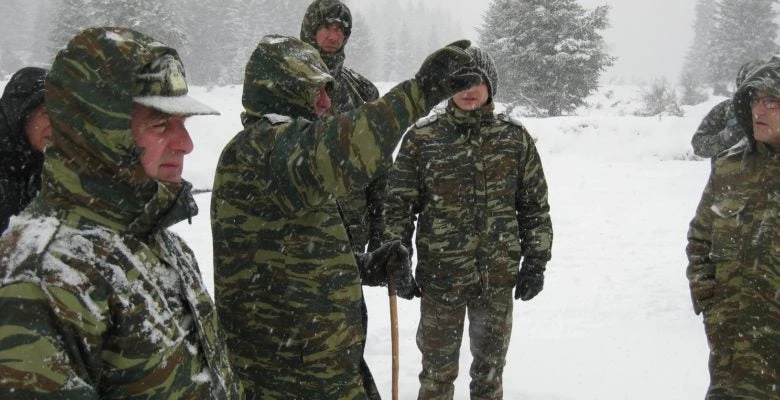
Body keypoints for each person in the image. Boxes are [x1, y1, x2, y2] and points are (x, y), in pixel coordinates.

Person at [211, 34, 480, 399]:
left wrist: (361, 266)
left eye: (328, 90)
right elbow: (346, 149)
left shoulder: (286, 157)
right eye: (314, 91)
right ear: (282, 91)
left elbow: (292, 256)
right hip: (286, 380)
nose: (326, 102)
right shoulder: (259, 151)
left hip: (322, 366)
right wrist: (419, 92)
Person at [0, 27, 242, 399]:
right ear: (99, 133)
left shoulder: (156, 239)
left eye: (184, 123)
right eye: (161, 124)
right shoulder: (44, 279)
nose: (187, 144)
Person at [383, 47, 553, 400]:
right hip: (441, 278)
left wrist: (536, 260)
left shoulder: (513, 138)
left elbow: (534, 206)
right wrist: (397, 258)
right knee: (436, 375)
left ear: (490, 85)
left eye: (476, 80)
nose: (468, 89)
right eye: (459, 82)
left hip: (497, 278)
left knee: (489, 376)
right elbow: (398, 205)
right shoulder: (422, 139)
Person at [686, 58, 779, 399]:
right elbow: (700, 238)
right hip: (732, 355)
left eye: (771, 101)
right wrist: (712, 302)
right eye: (754, 98)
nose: (759, 109)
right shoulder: (730, 168)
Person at [301, 0, 386, 254]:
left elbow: (379, 165)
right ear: (311, 29)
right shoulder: (285, 85)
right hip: (296, 235)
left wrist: (382, 230)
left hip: (351, 234)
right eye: (327, 26)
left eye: (341, 29)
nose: (334, 35)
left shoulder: (363, 91)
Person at [0, 66, 49, 235]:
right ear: (21, 115)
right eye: (46, 113)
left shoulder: (53, 167)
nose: (57, 125)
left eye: (61, 115)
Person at [691, 59, 762, 159]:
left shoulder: (775, 111)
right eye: (752, 86)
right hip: (729, 172)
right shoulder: (725, 110)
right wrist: (725, 138)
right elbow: (698, 145)